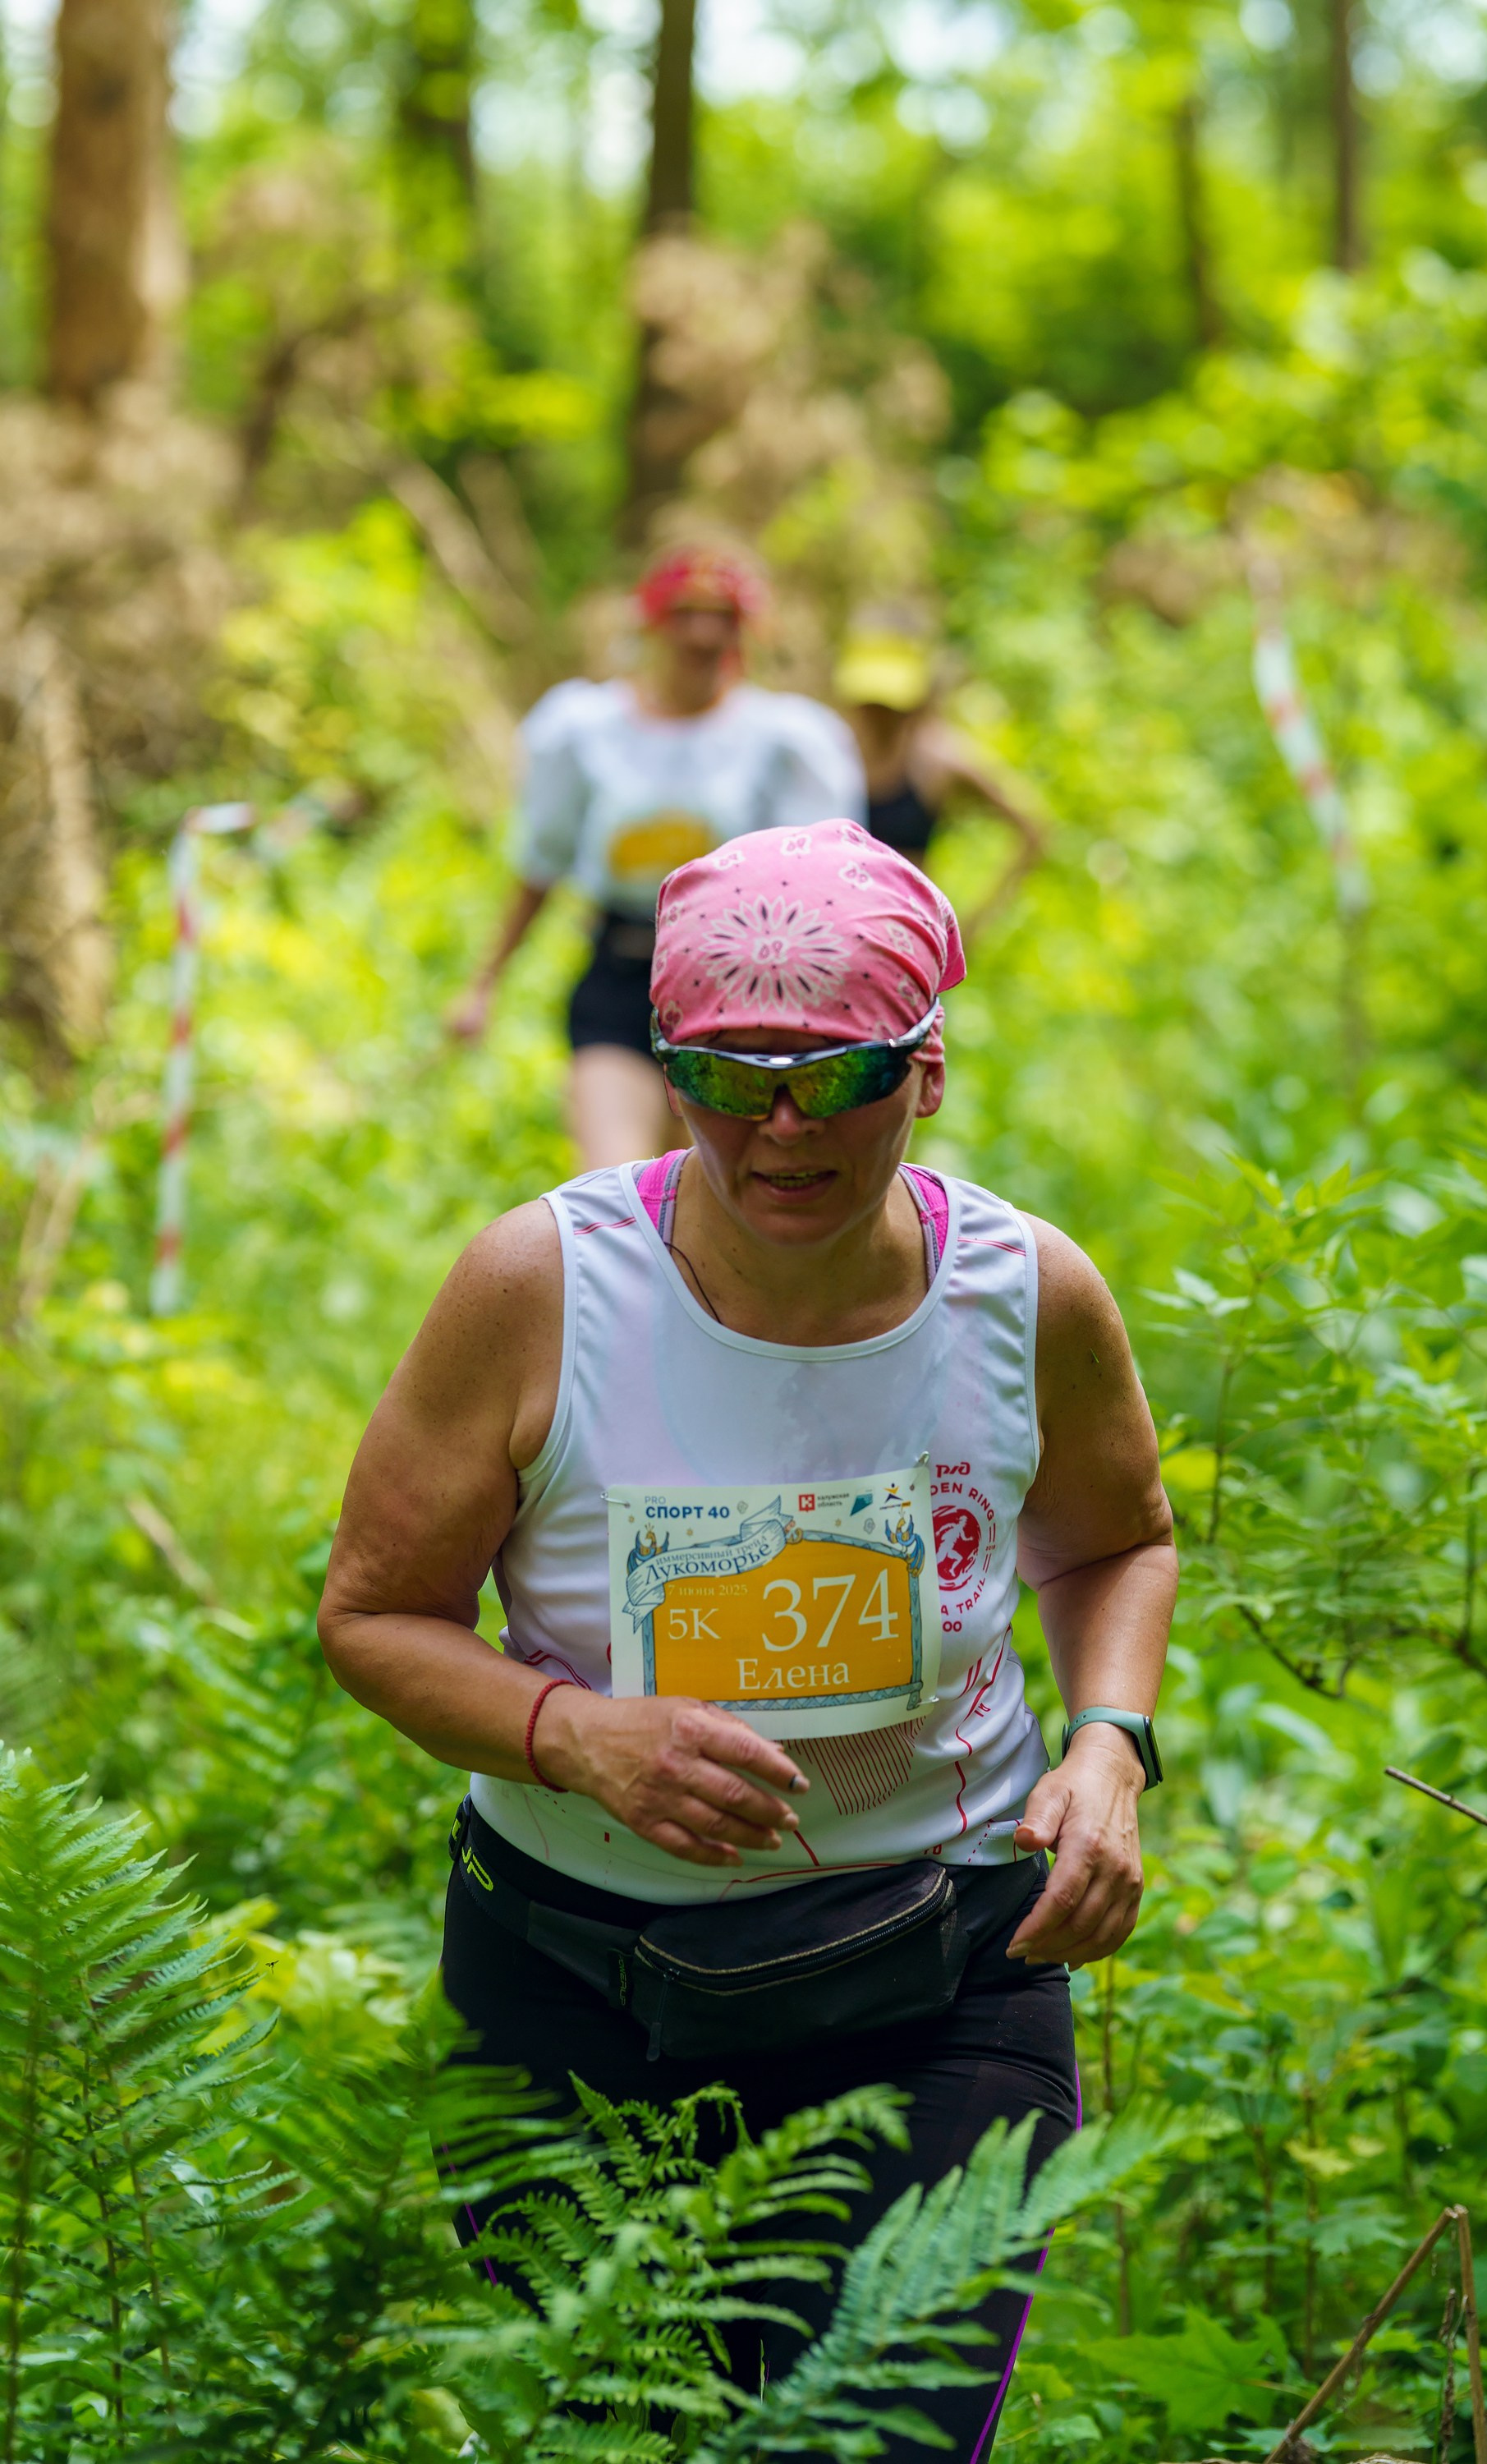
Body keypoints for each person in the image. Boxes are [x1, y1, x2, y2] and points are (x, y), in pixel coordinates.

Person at [319, 818, 1176, 2462]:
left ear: (925, 1073)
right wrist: (574, 1734)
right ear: (665, 1068)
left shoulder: (1026, 1292)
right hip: (578, 1989)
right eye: (726, 1076)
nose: (778, 1127)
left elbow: (1115, 1536)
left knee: (885, 2438)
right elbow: (373, 1620)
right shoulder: (539, 1285)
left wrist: (1105, 1742)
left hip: (944, 1969)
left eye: (834, 1077)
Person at [448, 547, 865, 1169]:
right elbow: (543, 862)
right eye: (685, 613)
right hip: (622, 973)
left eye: (720, 615)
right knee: (614, 1184)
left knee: (709, 1191)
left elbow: (824, 878)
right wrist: (484, 985)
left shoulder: (781, 740)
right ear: (652, 623)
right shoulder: (586, 729)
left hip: (738, 987)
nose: (702, 633)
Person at [835, 623, 1046, 936]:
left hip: (905, 938)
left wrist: (974, 924)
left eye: (887, 706)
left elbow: (1033, 831)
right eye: (870, 704)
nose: (876, 715)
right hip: (835, 935)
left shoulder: (938, 760)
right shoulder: (834, 751)